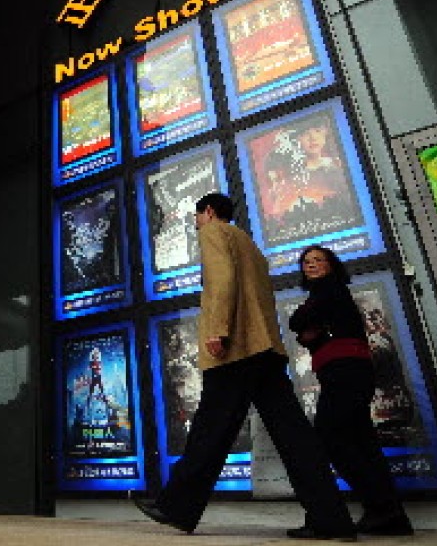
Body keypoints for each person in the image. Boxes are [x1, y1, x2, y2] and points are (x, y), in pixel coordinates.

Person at [134, 192, 355, 540]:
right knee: (295, 436)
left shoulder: (213, 232)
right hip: (263, 348)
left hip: (235, 349)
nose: (196, 224)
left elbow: (222, 280)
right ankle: (331, 518)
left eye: (196, 217)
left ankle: (175, 505)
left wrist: (218, 330)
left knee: (209, 429)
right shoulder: (248, 243)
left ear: (207, 211)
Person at [289, 245, 413, 536]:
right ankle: (390, 516)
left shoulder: (328, 289)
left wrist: (310, 330)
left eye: (319, 260)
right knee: (362, 442)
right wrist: (311, 332)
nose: (312, 265)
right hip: (348, 372)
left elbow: (298, 322)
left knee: (331, 436)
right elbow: (307, 331)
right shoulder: (327, 295)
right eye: (307, 262)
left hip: (345, 373)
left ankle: (381, 507)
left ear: (332, 265)